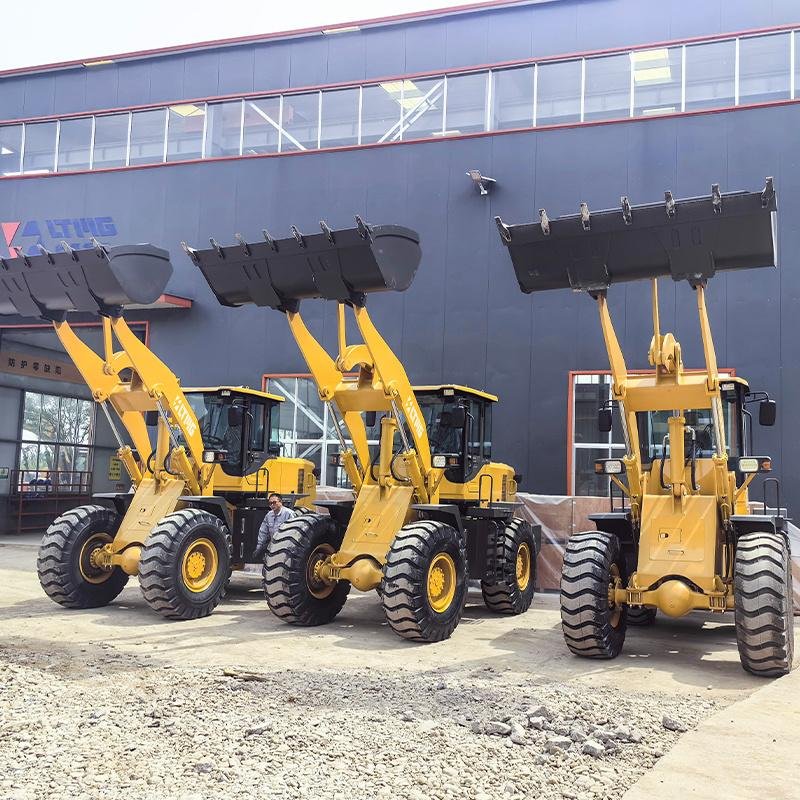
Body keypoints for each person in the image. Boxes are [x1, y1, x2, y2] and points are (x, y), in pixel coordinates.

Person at [252, 493, 295, 561]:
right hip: (273, 546)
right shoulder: (269, 515)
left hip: (285, 547)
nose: (272, 505)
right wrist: (259, 547)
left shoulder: (289, 514)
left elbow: (294, 532)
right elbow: (263, 532)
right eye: (270, 503)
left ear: (280, 502)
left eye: (274, 502)